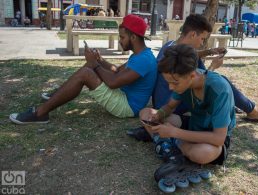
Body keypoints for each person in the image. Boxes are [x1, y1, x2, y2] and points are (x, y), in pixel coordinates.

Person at [128, 14, 258, 142]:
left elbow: (193, 64)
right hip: (172, 101)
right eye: (202, 39)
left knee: (210, 76)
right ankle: (253, 111)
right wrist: (212, 67)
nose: (202, 43)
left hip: (171, 98)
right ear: (193, 34)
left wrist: (209, 51)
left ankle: (238, 107)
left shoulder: (171, 46)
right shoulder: (176, 56)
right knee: (222, 82)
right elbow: (196, 81)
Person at [9, 14, 157, 125]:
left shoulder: (144, 60)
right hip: (123, 97)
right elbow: (116, 71)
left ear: (133, 37)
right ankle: (55, 96)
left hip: (127, 107)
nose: (119, 40)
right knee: (89, 67)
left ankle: (41, 112)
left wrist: (95, 64)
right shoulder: (140, 56)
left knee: (87, 72)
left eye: (122, 37)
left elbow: (113, 82)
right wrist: (99, 60)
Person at [139, 44, 235, 165]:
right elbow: (169, 106)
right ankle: (169, 143)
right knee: (145, 113)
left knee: (203, 153)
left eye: (174, 83)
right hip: (193, 125)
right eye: (168, 82)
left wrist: (174, 132)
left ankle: (165, 142)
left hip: (211, 137)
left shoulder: (220, 89)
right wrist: (159, 115)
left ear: (192, 75)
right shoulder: (184, 82)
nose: (170, 87)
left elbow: (218, 138)